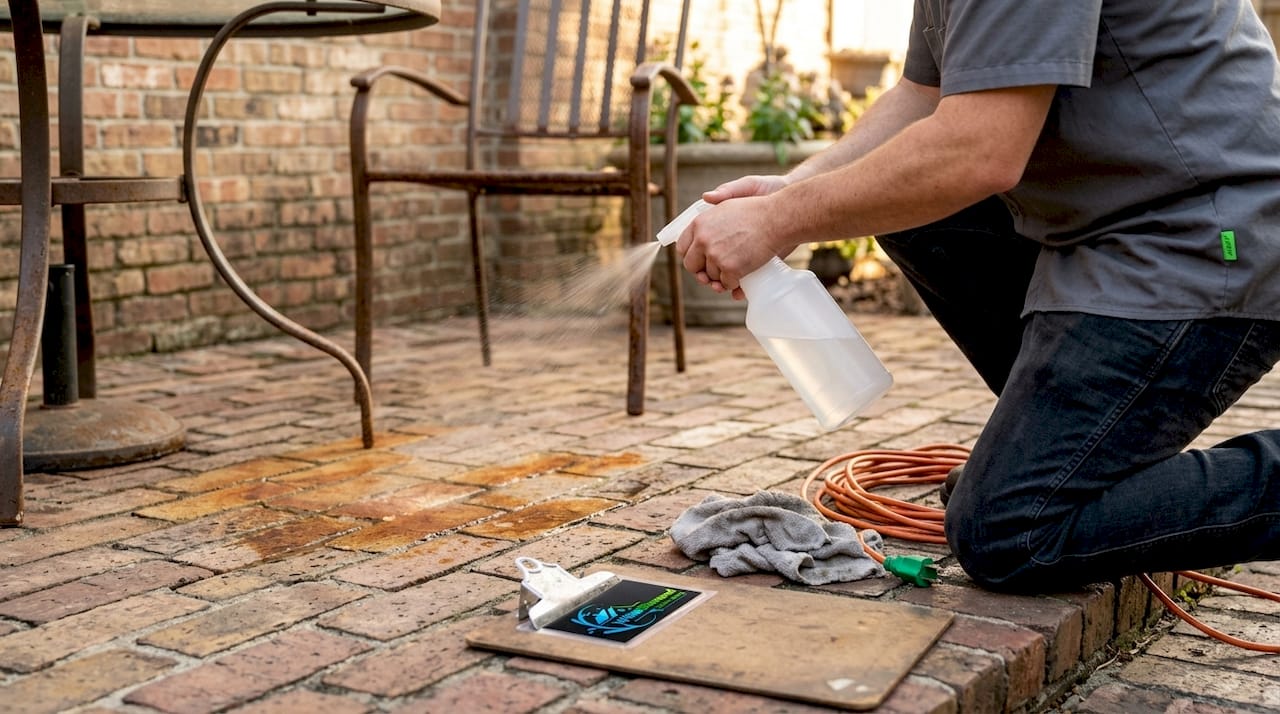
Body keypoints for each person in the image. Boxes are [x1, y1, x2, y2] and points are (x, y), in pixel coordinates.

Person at [672, 0, 1280, 592]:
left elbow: (978, 149)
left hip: (1205, 239)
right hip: (1117, 228)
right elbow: (924, 99)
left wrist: (780, 220)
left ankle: (1045, 476)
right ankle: (1058, 450)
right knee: (912, 211)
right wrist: (792, 189)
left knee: (1012, 531)